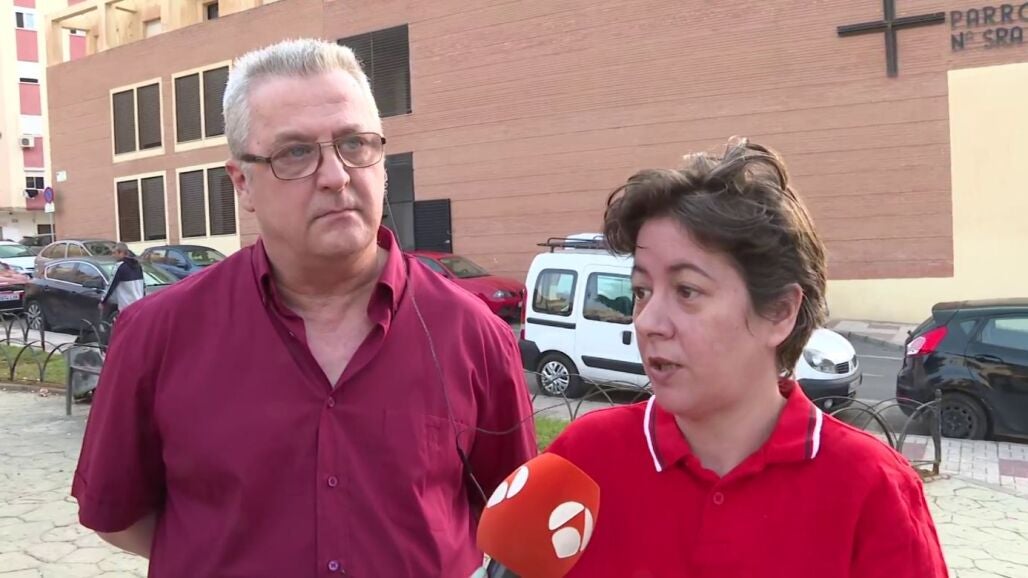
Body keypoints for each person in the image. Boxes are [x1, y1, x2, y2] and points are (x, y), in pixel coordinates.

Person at [71, 38, 536, 578]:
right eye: (295, 152)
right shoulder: (158, 333)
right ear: (242, 183)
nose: (336, 175)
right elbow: (119, 516)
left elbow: (510, 517)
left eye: (355, 143)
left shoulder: (474, 334)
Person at [546, 138, 948, 577]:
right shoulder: (583, 460)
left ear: (779, 312)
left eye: (686, 291)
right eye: (641, 291)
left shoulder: (872, 487)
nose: (647, 322)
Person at [97, 242, 144, 319]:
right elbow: (142, 286)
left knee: (123, 326)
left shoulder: (119, 266)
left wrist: (103, 301)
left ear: (121, 253)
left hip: (126, 307)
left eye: (114, 253)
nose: (113, 256)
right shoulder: (138, 266)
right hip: (139, 305)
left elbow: (111, 286)